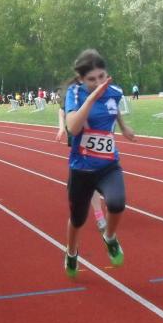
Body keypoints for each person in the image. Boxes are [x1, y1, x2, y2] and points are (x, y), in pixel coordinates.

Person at [63, 49, 135, 277]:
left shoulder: (114, 92)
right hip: (81, 168)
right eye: (91, 79)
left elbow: (114, 109)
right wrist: (92, 97)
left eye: (102, 76)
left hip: (108, 164)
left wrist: (123, 126)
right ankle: (71, 252)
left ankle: (109, 237)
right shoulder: (74, 94)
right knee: (78, 219)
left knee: (117, 203)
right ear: (81, 79)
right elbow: (73, 127)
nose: (98, 82)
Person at [55, 78, 107, 234]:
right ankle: (99, 215)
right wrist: (61, 128)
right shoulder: (73, 92)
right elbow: (62, 111)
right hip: (79, 138)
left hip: (95, 137)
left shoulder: (95, 90)